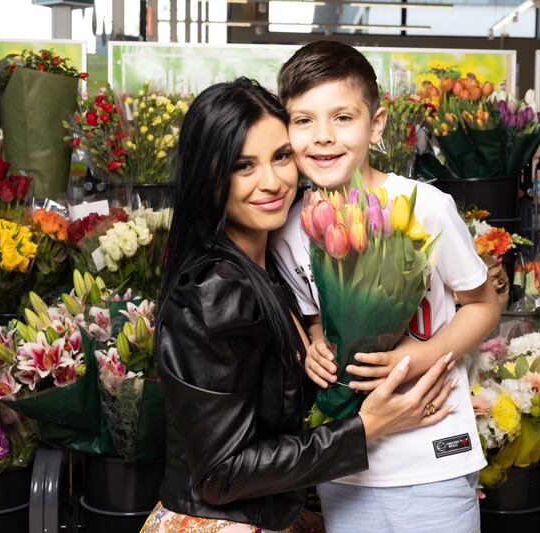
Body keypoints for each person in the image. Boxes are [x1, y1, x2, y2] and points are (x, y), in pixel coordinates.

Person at [144, 77, 457, 533]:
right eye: (243, 165)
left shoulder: (271, 267)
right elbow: (219, 474)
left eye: (281, 156)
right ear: (208, 175)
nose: (271, 182)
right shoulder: (214, 291)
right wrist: (366, 429)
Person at [271, 41, 501, 533]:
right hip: (346, 461)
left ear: (376, 125)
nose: (323, 137)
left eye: (342, 117)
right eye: (303, 120)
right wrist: (311, 341)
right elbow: (315, 318)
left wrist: (416, 358)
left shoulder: (426, 207)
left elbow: (483, 306)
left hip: (434, 453)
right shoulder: (290, 230)